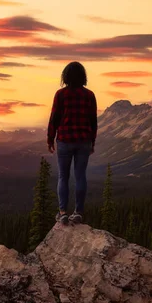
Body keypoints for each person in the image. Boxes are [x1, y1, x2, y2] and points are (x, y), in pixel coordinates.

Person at [47, 61, 98, 224]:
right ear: (83, 76)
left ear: (65, 76)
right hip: (83, 140)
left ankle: (62, 213)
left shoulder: (60, 94)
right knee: (80, 176)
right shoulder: (89, 95)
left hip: (65, 140)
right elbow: (93, 121)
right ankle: (78, 212)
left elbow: (54, 118)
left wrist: (50, 138)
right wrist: (92, 142)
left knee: (63, 176)